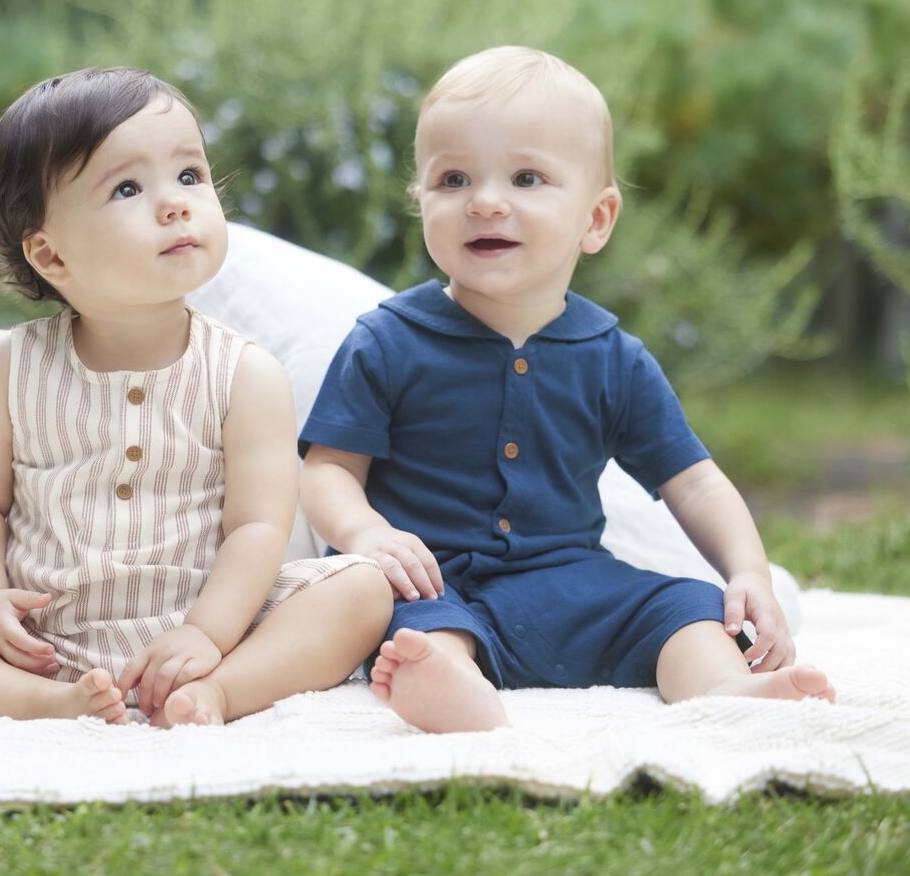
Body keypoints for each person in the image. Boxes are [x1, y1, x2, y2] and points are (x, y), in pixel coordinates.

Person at [299, 46, 835, 734]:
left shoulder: (613, 358)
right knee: (414, 625)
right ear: (422, 201)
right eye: (454, 178)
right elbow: (329, 469)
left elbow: (694, 482)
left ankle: (724, 689)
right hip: (433, 581)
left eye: (527, 177)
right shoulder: (387, 341)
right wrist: (368, 534)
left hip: (570, 580)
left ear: (596, 219)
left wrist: (749, 571)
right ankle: (450, 684)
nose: (486, 201)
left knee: (684, 607)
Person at [0, 67, 390, 727]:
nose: (175, 203)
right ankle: (41, 702)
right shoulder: (11, 366)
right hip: (47, 639)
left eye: (189, 175)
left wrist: (206, 637)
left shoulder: (245, 373)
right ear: (50, 255)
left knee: (362, 588)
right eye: (128, 187)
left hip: (210, 635)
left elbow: (257, 528)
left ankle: (218, 693)